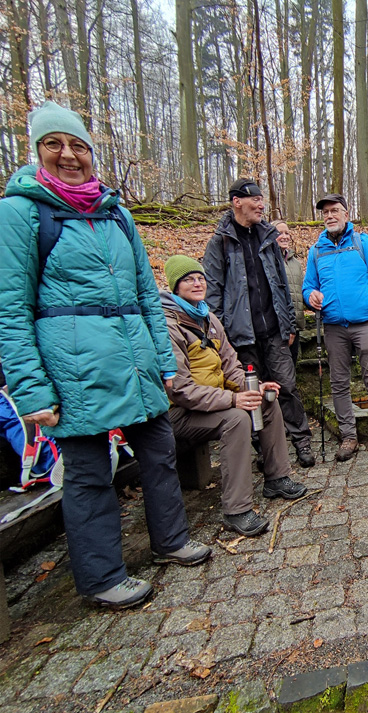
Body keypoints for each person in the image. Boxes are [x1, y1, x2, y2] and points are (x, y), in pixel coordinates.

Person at [0, 101, 210, 610]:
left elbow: (146, 296)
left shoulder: (116, 213)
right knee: (90, 475)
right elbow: (10, 308)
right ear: (38, 151)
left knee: (159, 454)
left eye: (78, 146)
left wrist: (164, 362)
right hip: (75, 372)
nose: (68, 155)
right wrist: (31, 390)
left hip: (136, 363)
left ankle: (170, 541)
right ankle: (100, 576)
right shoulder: (22, 213)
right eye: (55, 144)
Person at [162, 256, 308, 537]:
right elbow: (179, 390)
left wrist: (255, 388)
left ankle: (276, 477)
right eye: (188, 279)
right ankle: (237, 510)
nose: (197, 283)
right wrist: (232, 400)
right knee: (237, 419)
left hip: (211, 403)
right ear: (175, 286)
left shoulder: (209, 318)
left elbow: (231, 366)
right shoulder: (168, 325)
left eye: (200, 278)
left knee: (266, 402)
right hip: (178, 412)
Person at [203, 179, 316, 468]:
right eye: (255, 200)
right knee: (254, 395)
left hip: (275, 332)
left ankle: (302, 441)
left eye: (263, 200)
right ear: (237, 201)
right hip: (240, 337)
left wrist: (289, 324)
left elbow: (281, 285)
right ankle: (264, 452)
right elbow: (212, 292)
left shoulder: (268, 237)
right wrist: (219, 336)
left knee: (287, 387)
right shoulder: (220, 241)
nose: (261, 205)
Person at [302, 194, 368, 465]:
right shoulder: (316, 251)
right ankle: (349, 437)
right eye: (325, 213)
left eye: (335, 211)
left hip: (366, 324)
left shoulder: (362, 243)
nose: (330, 216)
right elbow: (308, 286)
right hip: (333, 328)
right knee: (339, 384)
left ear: (346, 213)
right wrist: (311, 297)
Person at [274, 221, 306, 364]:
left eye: (287, 233)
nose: (285, 236)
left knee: (291, 367)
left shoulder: (295, 264)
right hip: (277, 328)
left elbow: (301, 292)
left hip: (296, 327)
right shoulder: (269, 262)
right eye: (279, 233)